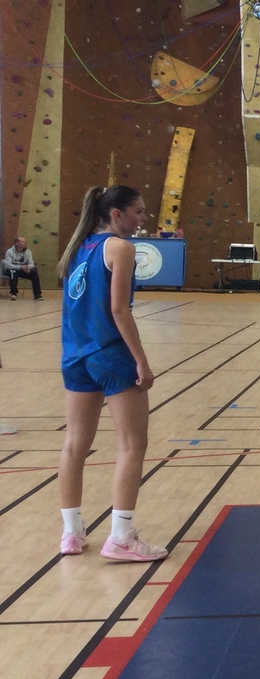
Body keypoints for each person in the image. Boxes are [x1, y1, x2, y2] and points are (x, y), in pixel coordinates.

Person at [56, 186, 165, 561]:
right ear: (117, 214)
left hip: (75, 354)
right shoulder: (120, 248)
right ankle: (121, 537)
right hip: (110, 353)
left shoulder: (77, 247)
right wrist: (141, 360)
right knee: (132, 445)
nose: (143, 219)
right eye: (139, 211)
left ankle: (71, 533)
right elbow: (120, 310)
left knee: (74, 445)